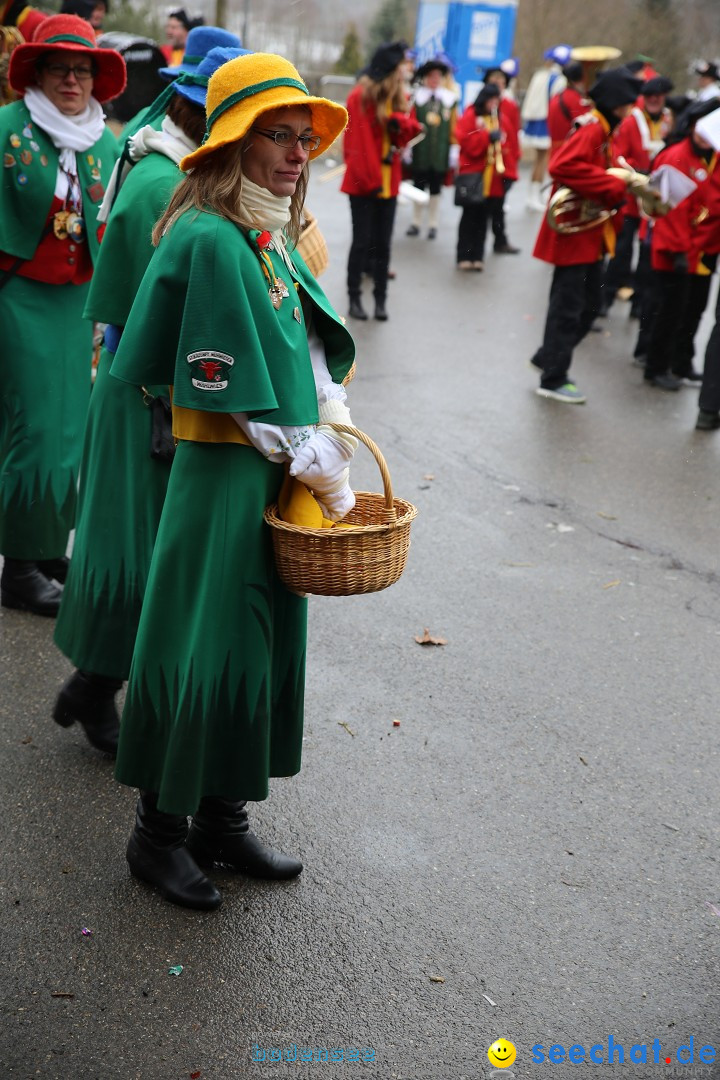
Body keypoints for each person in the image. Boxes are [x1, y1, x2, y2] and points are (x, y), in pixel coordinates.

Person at [108, 51, 355, 910]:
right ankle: (158, 833)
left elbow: (304, 338)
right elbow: (216, 379)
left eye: (302, 139)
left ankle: (222, 817)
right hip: (223, 479)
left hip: (271, 479)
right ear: (234, 144)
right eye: (276, 137)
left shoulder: (269, 231)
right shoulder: (211, 236)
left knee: (256, 637)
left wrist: (330, 405)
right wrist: (303, 450)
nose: (295, 153)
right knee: (201, 639)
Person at [52, 46, 246, 756]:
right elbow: (152, 309)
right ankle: (96, 690)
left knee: (144, 551)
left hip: (156, 391)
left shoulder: (170, 166)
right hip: (146, 392)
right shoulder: (164, 179)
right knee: (131, 554)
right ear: (201, 109)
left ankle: (92, 688)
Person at [0, 15, 125, 615]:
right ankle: (18, 567)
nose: (73, 80)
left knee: (72, 431)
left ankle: (48, 548)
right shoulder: (7, 128)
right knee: (37, 430)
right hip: (19, 296)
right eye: (60, 68)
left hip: (79, 304)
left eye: (83, 70)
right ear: (39, 72)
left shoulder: (105, 141)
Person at [529, 66, 645, 403]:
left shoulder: (604, 129)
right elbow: (562, 166)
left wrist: (625, 174)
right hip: (574, 233)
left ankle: (547, 356)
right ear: (615, 103)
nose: (631, 107)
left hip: (588, 233)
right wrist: (614, 184)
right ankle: (553, 377)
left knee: (589, 305)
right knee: (569, 307)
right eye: (627, 102)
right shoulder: (593, 128)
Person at [641, 104, 720, 390]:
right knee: (667, 310)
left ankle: (681, 362)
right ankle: (655, 366)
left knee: (693, 309)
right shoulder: (676, 156)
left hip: (705, 248)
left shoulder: (715, 156)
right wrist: (677, 250)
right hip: (677, 249)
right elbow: (669, 209)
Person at [341, 40, 421, 321]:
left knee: (383, 245)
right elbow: (357, 148)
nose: (405, 71)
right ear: (390, 69)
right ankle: (354, 297)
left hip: (388, 183)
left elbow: (407, 133)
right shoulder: (360, 97)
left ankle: (380, 299)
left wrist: (401, 126)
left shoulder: (398, 97)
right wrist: (372, 181)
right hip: (364, 184)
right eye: (401, 66)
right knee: (362, 242)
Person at [600, 74, 673, 317]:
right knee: (621, 253)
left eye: (659, 96)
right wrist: (637, 172)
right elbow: (618, 155)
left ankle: (639, 306)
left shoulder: (668, 121)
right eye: (650, 96)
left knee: (647, 257)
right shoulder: (631, 121)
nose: (654, 100)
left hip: (654, 201)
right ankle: (604, 300)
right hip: (631, 199)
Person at [454, 83, 514, 270]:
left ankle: (477, 256)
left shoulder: (500, 119)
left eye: (497, 100)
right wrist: (487, 138)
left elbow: (510, 146)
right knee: (469, 218)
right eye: (492, 100)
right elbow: (466, 143)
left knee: (483, 220)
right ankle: (463, 256)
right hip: (474, 176)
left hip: (492, 180)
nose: (495, 104)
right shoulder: (471, 116)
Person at [406, 55, 458, 240]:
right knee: (418, 187)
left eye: (438, 76)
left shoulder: (450, 100)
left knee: (436, 189)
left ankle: (433, 223)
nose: (434, 80)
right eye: (431, 76)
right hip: (420, 152)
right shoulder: (417, 99)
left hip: (440, 153)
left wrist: (454, 149)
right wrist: (408, 147)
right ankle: (416, 222)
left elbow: (454, 126)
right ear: (426, 78)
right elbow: (410, 123)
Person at [520, 44, 571, 211]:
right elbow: (556, 103)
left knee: (540, 160)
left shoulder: (540, 75)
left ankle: (533, 194)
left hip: (535, 121)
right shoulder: (558, 79)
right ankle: (534, 195)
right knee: (542, 160)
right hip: (546, 122)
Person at [483, 64, 521, 253]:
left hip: (504, 163)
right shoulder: (482, 105)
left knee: (499, 206)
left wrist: (514, 160)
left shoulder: (510, 106)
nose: (498, 83)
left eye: (502, 80)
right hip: (485, 166)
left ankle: (500, 239)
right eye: (494, 79)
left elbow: (514, 134)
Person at [547, 60, 589, 155]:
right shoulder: (576, 100)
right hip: (569, 152)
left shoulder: (557, 96)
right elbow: (585, 130)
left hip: (555, 152)